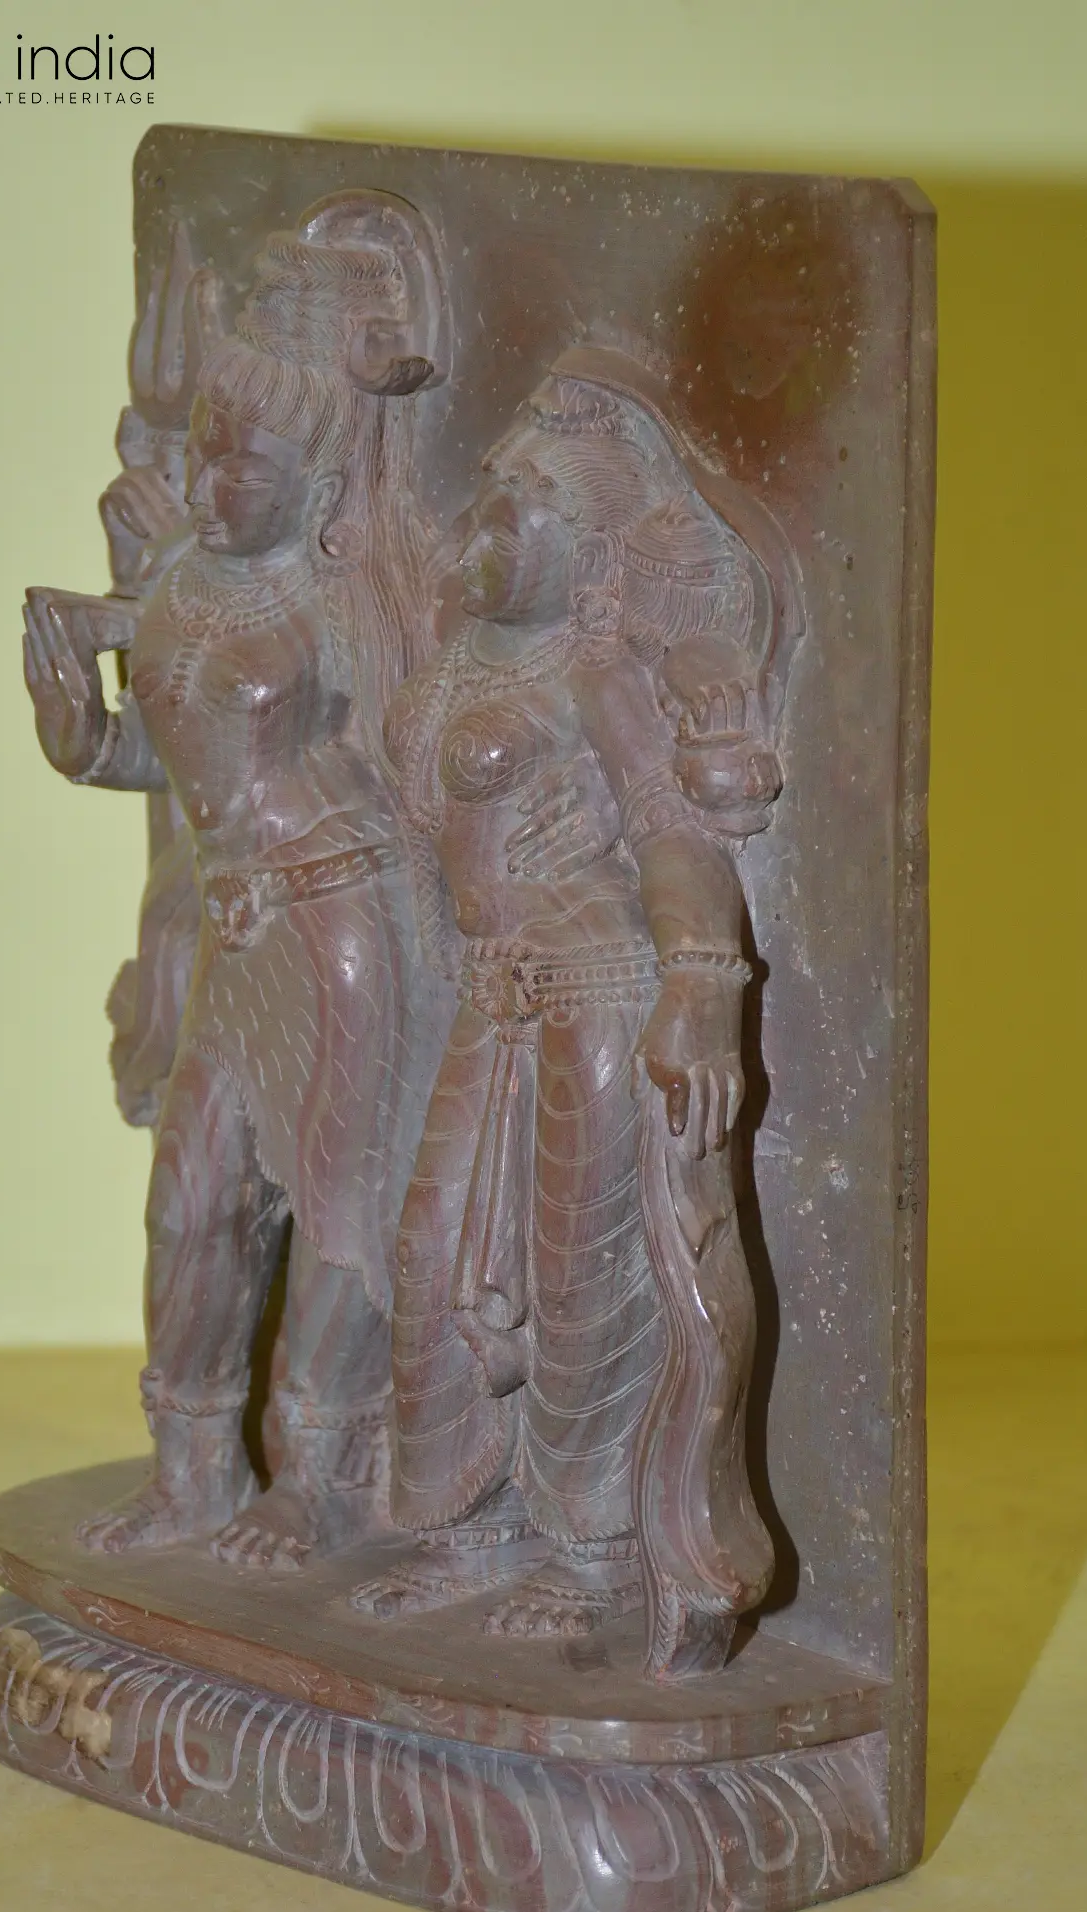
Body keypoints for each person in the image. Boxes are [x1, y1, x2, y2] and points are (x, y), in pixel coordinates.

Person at [352, 338, 798, 1675]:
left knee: (579, 1278)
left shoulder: (597, 675)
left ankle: (588, 1553)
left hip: (594, 992)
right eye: (485, 511)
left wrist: (700, 990)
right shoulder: (460, 662)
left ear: (592, 553)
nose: (480, 538)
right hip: (496, 994)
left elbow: (672, 835)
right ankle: (464, 1528)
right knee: (433, 1251)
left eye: (518, 517)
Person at [20, 194, 452, 1570]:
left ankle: (314, 1479)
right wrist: (78, 731)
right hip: (234, 924)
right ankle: (192, 1469)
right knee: (193, 1197)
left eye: (247, 464)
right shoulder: (188, 584)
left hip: (338, 924)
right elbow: (161, 759)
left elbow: (423, 773)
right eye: (207, 449)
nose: (214, 483)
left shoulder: (349, 600)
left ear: (317, 480)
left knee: (336, 1203)